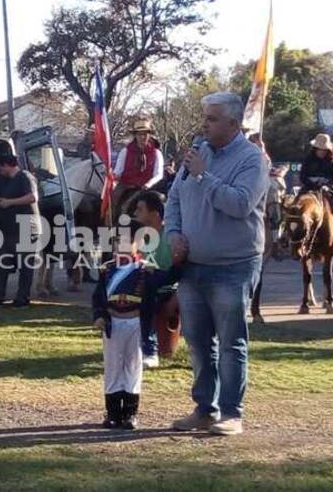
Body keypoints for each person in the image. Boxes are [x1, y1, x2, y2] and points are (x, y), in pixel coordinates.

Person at [165, 92, 268, 436]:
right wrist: (173, 233)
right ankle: (204, 409)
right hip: (192, 266)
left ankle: (231, 414)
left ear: (234, 124)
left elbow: (239, 204)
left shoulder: (252, 160)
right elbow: (175, 198)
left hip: (233, 266)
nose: (204, 124)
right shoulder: (198, 152)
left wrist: (204, 176)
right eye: (204, 117)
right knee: (196, 340)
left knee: (230, 341)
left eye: (211, 119)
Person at [92, 221, 174, 430]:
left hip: (136, 322)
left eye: (131, 241)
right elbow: (98, 297)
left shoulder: (145, 270)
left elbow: (168, 279)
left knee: (133, 365)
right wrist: (99, 315)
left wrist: (179, 262)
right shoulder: (107, 270)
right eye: (120, 241)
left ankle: (130, 414)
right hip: (114, 323)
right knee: (112, 366)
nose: (125, 245)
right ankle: (112, 413)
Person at [0, 153, 42, 308]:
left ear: (7, 165)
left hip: (26, 226)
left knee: (25, 266)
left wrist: (9, 203)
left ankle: (22, 299)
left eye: (0, 168)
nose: (0, 172)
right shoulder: (8, 181)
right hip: (10, 228)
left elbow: (33, 197)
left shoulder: (25, 177)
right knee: (2, 263)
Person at [133, 190, 178, 369]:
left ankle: (150, 350)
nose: (135, 213)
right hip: (149, 283)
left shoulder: (171, 234)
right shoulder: (142, 236)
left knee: (148, 285)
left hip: (169, 283)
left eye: (140, 209)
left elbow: (179, 269)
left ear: (155, 214)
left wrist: (177, 295)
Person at [298, 133, 333, 236]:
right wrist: (312, 182)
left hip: (330, 185)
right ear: (315, 148)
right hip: (310, 185)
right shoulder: (308, 159)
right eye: (319, 149)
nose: (321, 151)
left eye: (324, 149)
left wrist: (327, 185)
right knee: (296, 203)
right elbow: (302, 176)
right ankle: (287, 232)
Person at [111, 118, 165, 216]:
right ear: (135, 136)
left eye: (145, 134)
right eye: (139, 134)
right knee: (113, 201)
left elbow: (159, 174)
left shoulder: (157, 153)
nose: (142, 137)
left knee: (161, 204)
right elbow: (118, 171)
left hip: (148, 188)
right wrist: (113, 177)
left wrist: (148, 184)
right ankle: (112, 225)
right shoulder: (125, 151)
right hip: (127, 186)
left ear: (149, 135)